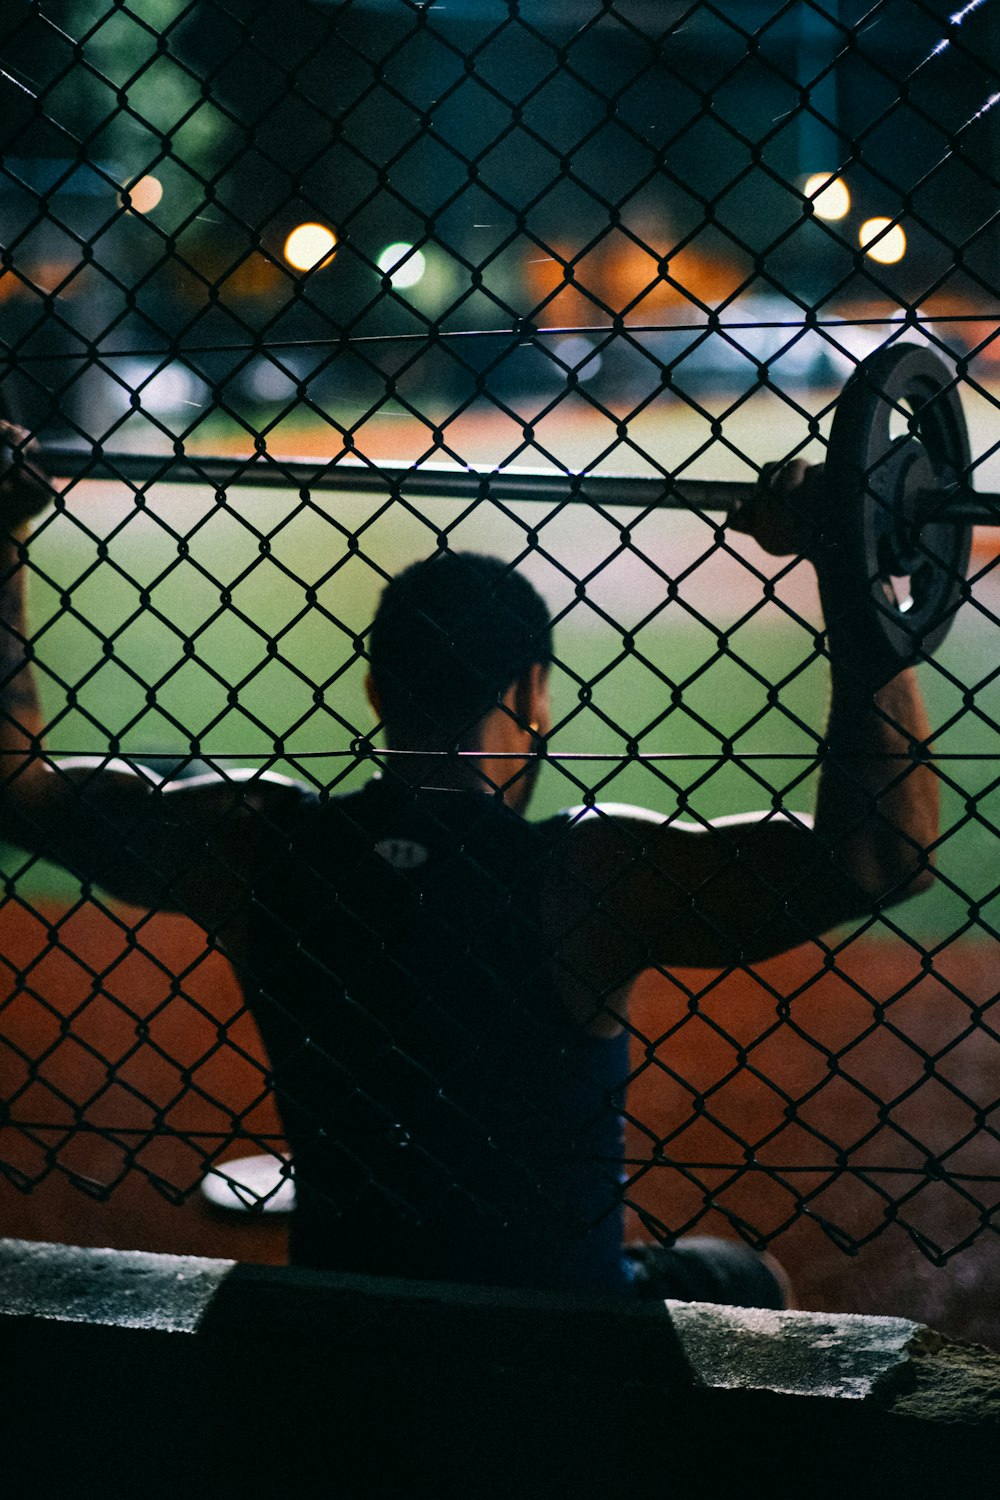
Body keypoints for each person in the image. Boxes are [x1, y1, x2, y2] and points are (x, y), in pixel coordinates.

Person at [0, 423, 938, 1307]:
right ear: (532, 693)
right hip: (557, 1324)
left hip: (346, 1302)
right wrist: (850, 570)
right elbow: (879, 856)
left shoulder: (252, 843)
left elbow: (17, 786)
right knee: (744, 1279)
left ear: (375, 691)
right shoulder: (588, 875)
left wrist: (2, 535)